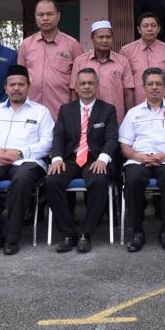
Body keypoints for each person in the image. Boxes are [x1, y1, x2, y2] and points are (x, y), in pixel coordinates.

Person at [0, 65, 54, 255]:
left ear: (28, 86)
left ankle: (12, 236)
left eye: (21, 84)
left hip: (28, 161)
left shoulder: (41, 112)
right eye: (12, 84)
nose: (16, 88)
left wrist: (21, 153)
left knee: (22, 180)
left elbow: (48, 143)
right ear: (5, 88)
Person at [45, 68, 118, 253]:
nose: (87, 87)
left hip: (94, 159)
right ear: (76, 87)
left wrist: (103, 159)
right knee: (52, 181)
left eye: (91, 83)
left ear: (97, 86)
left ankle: (86, 233)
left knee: (99, 181)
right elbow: (58, 136)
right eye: (83, 83)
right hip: (69, 159)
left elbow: (111, 138)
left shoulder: (108, 109)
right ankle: (68, 233)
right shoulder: (66, 109)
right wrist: (57, 158)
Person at [119, 68, 165, 252]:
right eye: (150, 84)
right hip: (138, 159)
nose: (154, 87)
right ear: (143, 87)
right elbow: (125, 146)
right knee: (132, 179)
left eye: (158, 84)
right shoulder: (133, 113)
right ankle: (137, 231)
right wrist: (138, 156)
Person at [17, 0, 82, 118]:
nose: (45, 18)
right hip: (31, 111)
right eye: (41, 15)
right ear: (36, 17)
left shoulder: (72, 44)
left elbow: (79, 81)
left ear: (58, 16)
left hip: (62, 111)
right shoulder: (26, 44)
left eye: (49, 14)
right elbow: (20, 78)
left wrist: (74, 110)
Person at [71, 20, 135, 123]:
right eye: (100, 37)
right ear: (92, 39)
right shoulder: (80, 61)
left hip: (115, 119)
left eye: (108, 37)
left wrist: (131, 119)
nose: (105, 40)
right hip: (86, 119)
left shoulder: (123, 61)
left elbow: (128, 93)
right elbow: (74, 91)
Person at [120, 12, 165, 102]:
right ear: (139, 29)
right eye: (145, 26)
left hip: (162, 104)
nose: (149, 29)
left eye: (153, 25)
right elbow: (125, 83)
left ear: (158, 29)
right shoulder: (126, 51)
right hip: (136, 104)